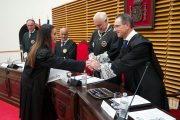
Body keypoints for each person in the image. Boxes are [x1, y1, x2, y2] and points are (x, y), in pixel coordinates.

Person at [87, 13, 169, 112]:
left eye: (117, 26)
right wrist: (97, 66)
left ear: (127, 25)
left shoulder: (141, 44)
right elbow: (118, 61)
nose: (114, 29)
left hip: (148, 90)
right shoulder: (126, 42)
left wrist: (99, 67)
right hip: (135, 87)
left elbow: (122, 64)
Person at [20, 24, 86, 120]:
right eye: (54, 34)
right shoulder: (43, 52)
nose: (57, 36)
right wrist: (84, 64)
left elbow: (53, 60)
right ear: (46, 36)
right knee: (35, 114)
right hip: (33, 86)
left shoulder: (38, 47)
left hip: (29, 82)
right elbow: (61, 62)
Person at [88, 12, 123, 79]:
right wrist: (92, 62)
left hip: (110, 71)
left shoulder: (115, 33)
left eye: (99, 25)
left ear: (106, 21)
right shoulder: (94, 33)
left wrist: (97, 59)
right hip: (96, 71)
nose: (98, 28)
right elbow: (90, 49)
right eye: (96, 25)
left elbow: (115, 51)